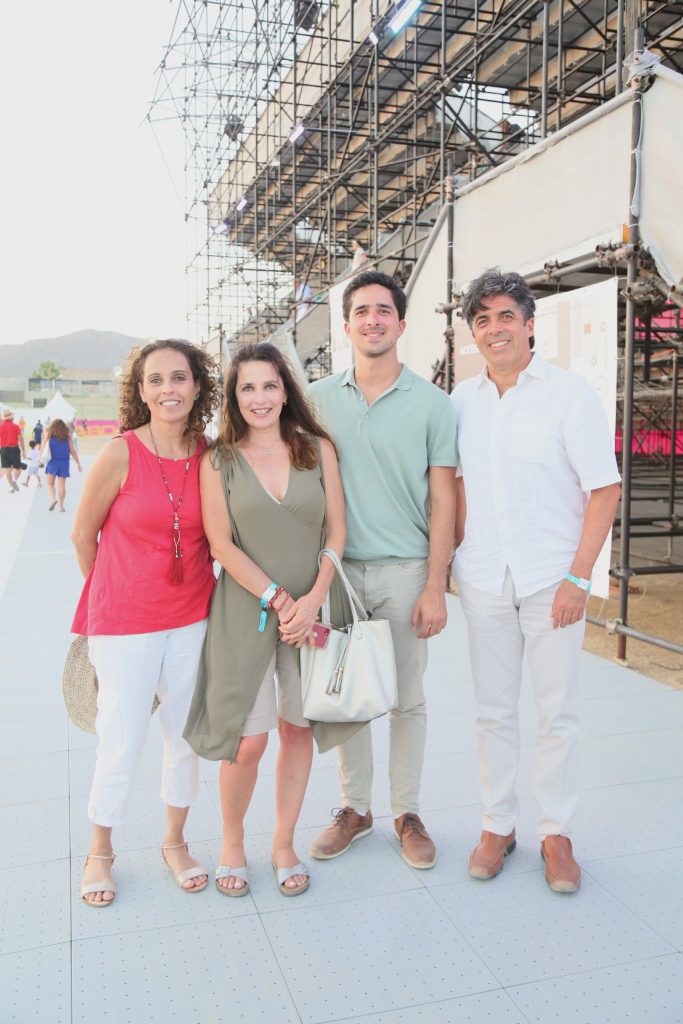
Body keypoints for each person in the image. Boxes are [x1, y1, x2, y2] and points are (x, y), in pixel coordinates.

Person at [451, 268, 621, 893]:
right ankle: (498, 824)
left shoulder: (570, 395)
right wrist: (453, 560)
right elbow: (454, 487)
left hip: (553, 579)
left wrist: (579, 576)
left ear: (529, 324)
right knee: (493, 712)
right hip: (484, 577)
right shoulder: (460, 402)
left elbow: (603, 489)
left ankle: (556, 832)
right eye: (482, 320)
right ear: (473, 333)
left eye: (506, 316)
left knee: (557, 713)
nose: (494, 329)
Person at [307, 270, 458, 870]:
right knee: (346, 694)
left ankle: (407, 813)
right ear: (346, 325)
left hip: (406, 571)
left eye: (383, 310)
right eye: (362, 311)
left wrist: (436, 584)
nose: (373, 319)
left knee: (406, 698)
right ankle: (355, 808)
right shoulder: (315, 400)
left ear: (401, 323)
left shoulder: (434, 404)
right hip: (337, 572)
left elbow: (443, 500)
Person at [184, 342, 346, 897]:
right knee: (247, 741)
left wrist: (314, 598)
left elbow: (337, 531)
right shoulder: (218, 461)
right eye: (247, 387)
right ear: (234, 396)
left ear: (285, 390)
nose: (260, 398)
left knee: (298, 729)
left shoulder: (317, 448)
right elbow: (221, 545)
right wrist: (279, 598)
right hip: (245, 613)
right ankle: (232, 844)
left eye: (269, 385)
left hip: (310, 613)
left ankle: (282, 843)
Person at [70, 339, 220, 907]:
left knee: (184, 738)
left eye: (179, 377)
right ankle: (100, 851)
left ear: (198, 386)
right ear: (140, 390)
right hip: (125, 625)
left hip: (191, 620)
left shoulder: (210, 456)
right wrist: (118, 591)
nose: (168, 389)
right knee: (121, 738)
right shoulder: (120, 453)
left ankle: (175, 842)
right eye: (155, 380)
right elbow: (83, 536)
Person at [42, 418, 82, 511]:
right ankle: (61, 506)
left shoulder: (49, 436)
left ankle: (53, 499)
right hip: (64, 463)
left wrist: (40, 460)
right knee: (62, 485)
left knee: (50, 484)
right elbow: (73, 451)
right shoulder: (67, 437)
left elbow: (43, 448)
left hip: (52, 462)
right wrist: (78, 463)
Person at [1, 408, 26, 493]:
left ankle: (12, 487)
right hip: (14, 449)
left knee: (8, 469)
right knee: (18, 468)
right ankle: (15, 480)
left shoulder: (0, 427)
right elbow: (20, 440)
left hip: (4, 449)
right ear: (11, 418)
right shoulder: (16, 426)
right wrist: (23, 450)